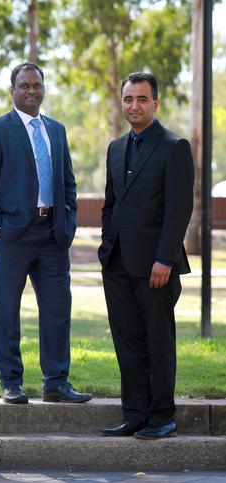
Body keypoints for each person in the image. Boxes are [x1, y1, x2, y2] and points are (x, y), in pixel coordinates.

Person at [0, 62, 92, 405]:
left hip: (53, 233)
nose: (31, 91)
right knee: (6, 310)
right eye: (24, 86)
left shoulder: (56, 129)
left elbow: (68, 182)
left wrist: (67, 221)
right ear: (13, 91)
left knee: (57, 308)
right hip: (12, 234)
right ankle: (10, 381)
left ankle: (56, 382)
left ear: (43, 88)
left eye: (36, 85)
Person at [98, 72, 194, 439]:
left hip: (157, 265)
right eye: (128, 99)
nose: (133, 106)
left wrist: (165, 259)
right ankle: (134, 413)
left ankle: (162, 416)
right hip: (118, 262)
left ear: (155, 103)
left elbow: (179, 209)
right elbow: (110, 204)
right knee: (128, 342)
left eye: (141, 99)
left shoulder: (174, 146)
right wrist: (107, 244)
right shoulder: (116, 148)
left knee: (158, 341)